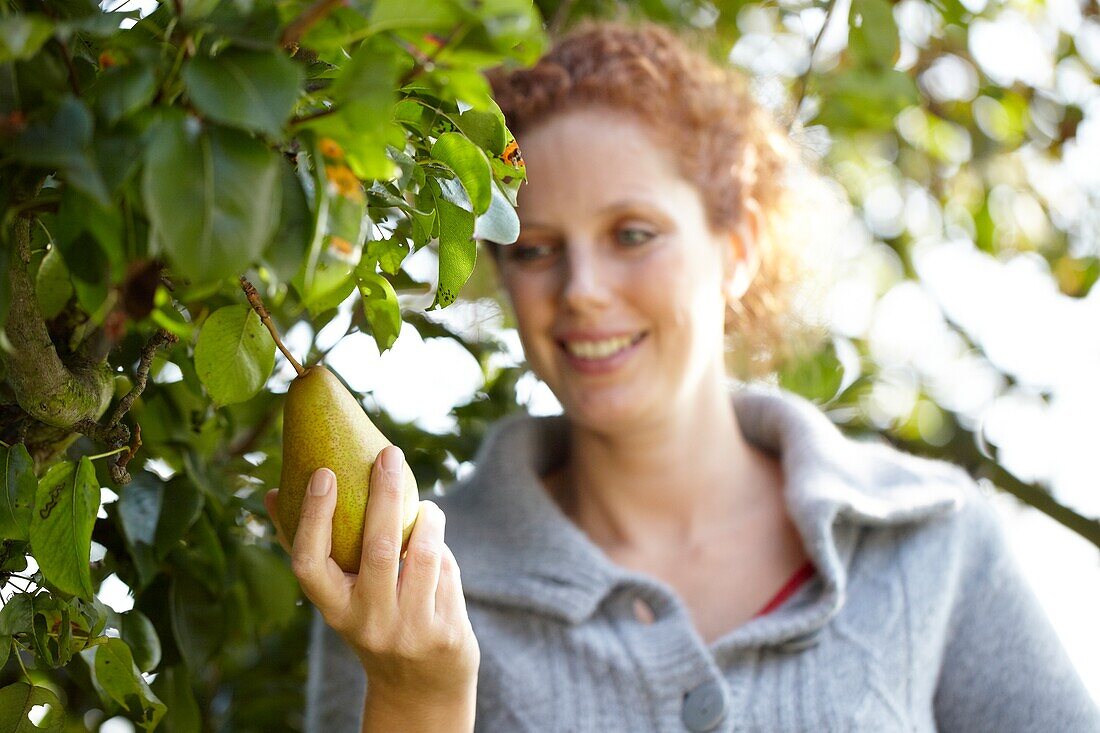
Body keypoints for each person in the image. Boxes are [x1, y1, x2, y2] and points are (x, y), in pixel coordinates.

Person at [263, 20, 1100, 733]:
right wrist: (418, 696)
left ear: (735, 249)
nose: (581, 290)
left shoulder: (931, 540)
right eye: (536, 249)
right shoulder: (408, 584)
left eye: (632, 234)